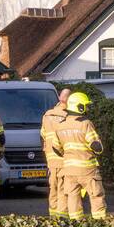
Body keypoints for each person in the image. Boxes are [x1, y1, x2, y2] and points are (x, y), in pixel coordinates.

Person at [55, 91, 106, 220]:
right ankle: (100, 224)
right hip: (87, 169)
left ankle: (76, 226)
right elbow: (97, 147)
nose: (87, 108)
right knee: (96, 196)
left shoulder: (61, 125)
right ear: (80, 106)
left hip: (69, 171)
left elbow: (56, 148)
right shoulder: (85, 123)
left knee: (73, 199)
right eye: (85, 105)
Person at [41, 88, 72, 217]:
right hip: (64, 157)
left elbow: (43, 134)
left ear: (59, 97)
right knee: (63, 188)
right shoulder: (70, 115)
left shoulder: (47, 115)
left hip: (51, 158)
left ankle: (52, 213)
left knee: (52, 186)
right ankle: (62, 215)